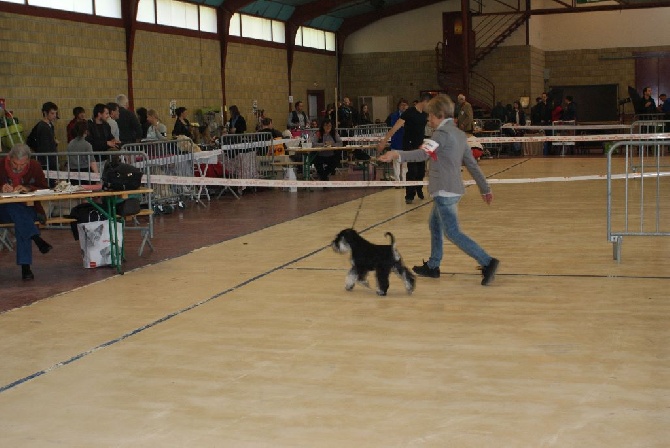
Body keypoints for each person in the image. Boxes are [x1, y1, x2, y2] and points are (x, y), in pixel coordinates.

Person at [378, 95, 499, 286]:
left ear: (440, 115)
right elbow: (472, 165)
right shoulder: (460, 134)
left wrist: (396, 154)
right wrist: (485, 189)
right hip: (454, 189)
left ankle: (487, 261)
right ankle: (433, 266)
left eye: (431, 116)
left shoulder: (440, 135)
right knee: (435, 225)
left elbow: (422, 154)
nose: (428, 120)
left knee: (452, 232)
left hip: (444, 191)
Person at [0, 144, 53, 280]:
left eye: (22, 165)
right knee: (14, 209)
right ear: (9, 158)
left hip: (28, 209)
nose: (18, 168)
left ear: (28, 161)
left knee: (21, 219)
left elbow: (44, 187)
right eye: (15, 164)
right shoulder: (0, 165)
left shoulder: (35, 166)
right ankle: (35, 242)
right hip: (3, 211)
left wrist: (29, 188)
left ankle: (26, 266)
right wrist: (1, 188)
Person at [377, 93, 431, 204]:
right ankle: (409, 195)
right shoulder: (409, 112)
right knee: (412, 170)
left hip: (420, 146)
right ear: (425, 102)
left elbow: (433, 124)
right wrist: (384, 141)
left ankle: (419, 189)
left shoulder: (425, 114)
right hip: (409, 145)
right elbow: (395, 127)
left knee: (421, 171)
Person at [29, 101, 59, 171]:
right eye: (52, 113)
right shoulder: (43, 127)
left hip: (51, 158)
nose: (54, 115)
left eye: (55, 113)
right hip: (47, 160)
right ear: (45, 113)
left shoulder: (50, 125)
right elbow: (44, 146)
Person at [385, 98, 409, 182]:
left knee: (405, 164)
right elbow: (395, 126)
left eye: (405, 105)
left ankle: (404, 181)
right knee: (396, 163)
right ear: (398, 106)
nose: (403, 106)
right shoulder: (394, 115)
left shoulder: (409, 115)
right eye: (402, 105)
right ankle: (397, 181)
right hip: (396, 142)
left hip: (406, 142)